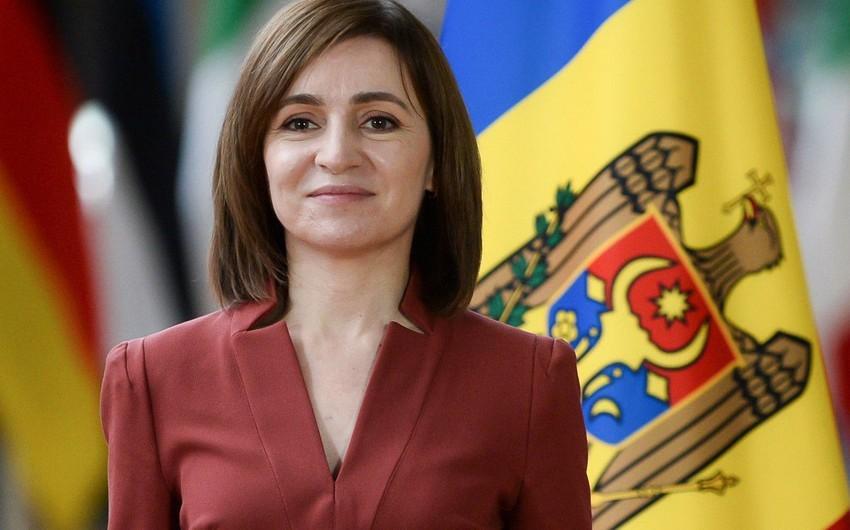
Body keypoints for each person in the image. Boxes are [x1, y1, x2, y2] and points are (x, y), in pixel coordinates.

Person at [99, 0, 591, 528]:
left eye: (379, 121)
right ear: (256, 157)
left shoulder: (527, 381)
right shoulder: (154, 379)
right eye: (300, 122)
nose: (336, 154)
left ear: (436, 162)